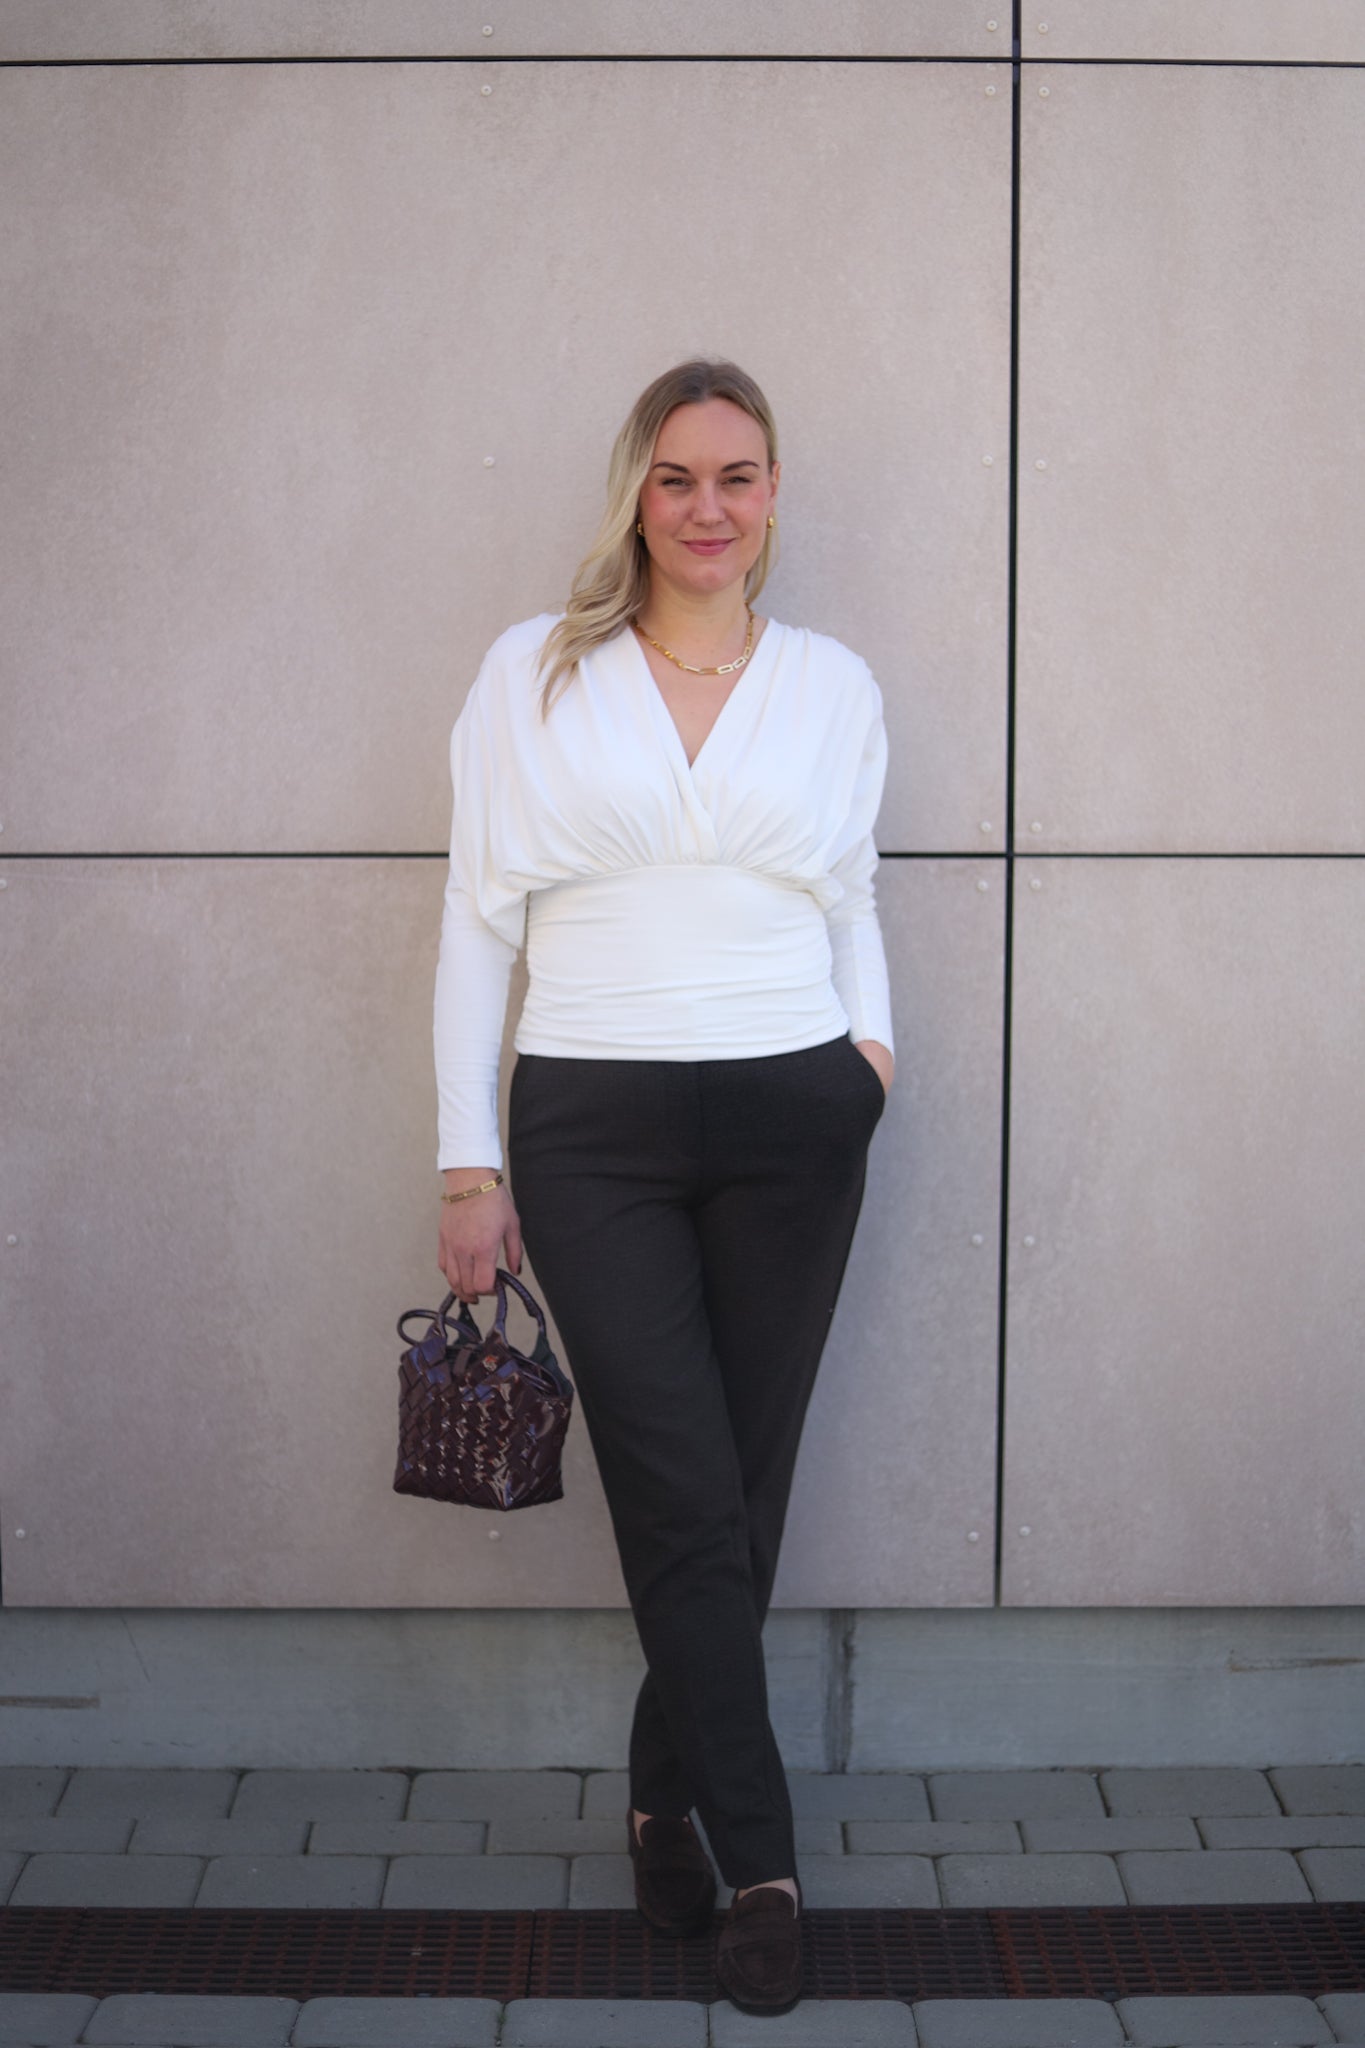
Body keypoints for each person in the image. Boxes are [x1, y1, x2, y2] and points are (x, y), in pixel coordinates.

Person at [433, 358, 894, 2016]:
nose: (709, 507)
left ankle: (657, 1803)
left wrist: (870, 1060)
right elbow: (477, 918)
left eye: (738, 476)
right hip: (594, 1126)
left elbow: (851, 893)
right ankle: (761, 1862)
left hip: (794, 1115)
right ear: (636, 489)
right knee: (685, 1489)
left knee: (737, 1496)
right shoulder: (535, 672)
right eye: (678, 475)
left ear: (772, 496)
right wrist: (467, 1157)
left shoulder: (830, 683)